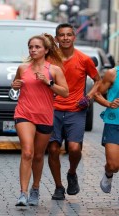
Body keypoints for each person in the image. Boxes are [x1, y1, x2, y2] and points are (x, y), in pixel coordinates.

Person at [12, 33, 68, 206]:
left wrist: (49, 83)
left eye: (37, 47)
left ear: (46, 50)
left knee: (37, 156)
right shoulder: (23, 68)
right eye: (31, 47)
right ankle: (23, 193)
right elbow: (15, 86)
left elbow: (65, 92)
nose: (33, 50)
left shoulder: (54, 70)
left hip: (44, 115)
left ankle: (35, 188)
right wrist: (14, 86)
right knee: (27, 152)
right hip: (24, 113)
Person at [47, 23, 100, 200]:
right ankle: (59, 187)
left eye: (69, 35)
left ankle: (72, 173)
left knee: (74, 148)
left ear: (74, 37)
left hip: (76, 110)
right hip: (53, 109)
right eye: (61, 35)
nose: (65, 38)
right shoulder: (50, 59)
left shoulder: (84, 59)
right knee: (53, 149)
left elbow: (98, 81)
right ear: (56, 38)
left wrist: (89, 96)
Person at [94, 66, 119, 194]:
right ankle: (108, 173)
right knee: (113, 165)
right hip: (114, 122)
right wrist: (109, 104)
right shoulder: (113, 73)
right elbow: (97, 94)